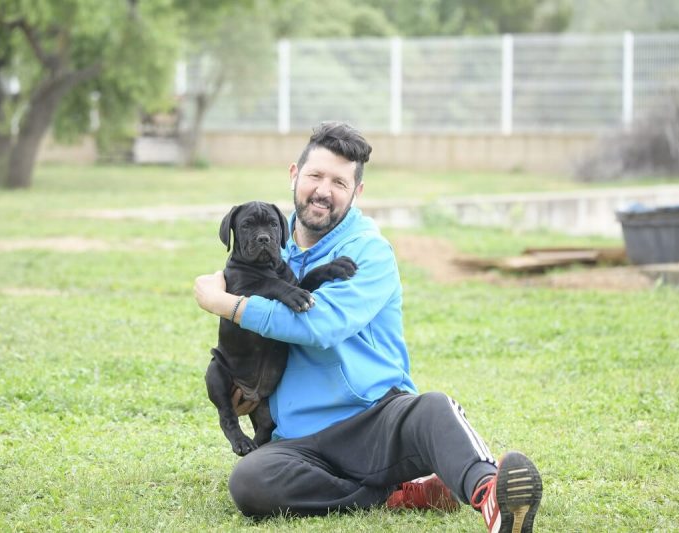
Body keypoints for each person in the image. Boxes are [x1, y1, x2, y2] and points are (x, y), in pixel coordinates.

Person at [193, 121, 543, 532]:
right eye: (315, 176)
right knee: (250, 481)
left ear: (356, 192)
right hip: (299, 438)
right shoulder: (269, 241)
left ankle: (490, 495)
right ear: (294, 176)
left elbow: (318, 325)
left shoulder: (369, 252)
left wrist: (228, 304)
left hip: (376, 418)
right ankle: (395, 493)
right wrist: (244, 384)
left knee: (432, 408)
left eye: (339, 182)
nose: (323, 190)